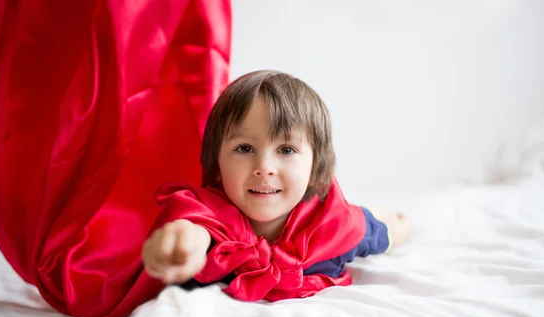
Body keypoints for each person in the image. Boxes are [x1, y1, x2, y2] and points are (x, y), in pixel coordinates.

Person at [142, 70, 413, 302]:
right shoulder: (206, 219)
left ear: (315, 164)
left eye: (286, 149)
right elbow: (195, 229)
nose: (265, 166)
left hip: (346, 217)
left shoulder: (336, 227)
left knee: (380, 221)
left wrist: (400, 227)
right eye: (244, 148)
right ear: (217, 163)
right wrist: (182, 245)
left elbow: (379, 231)